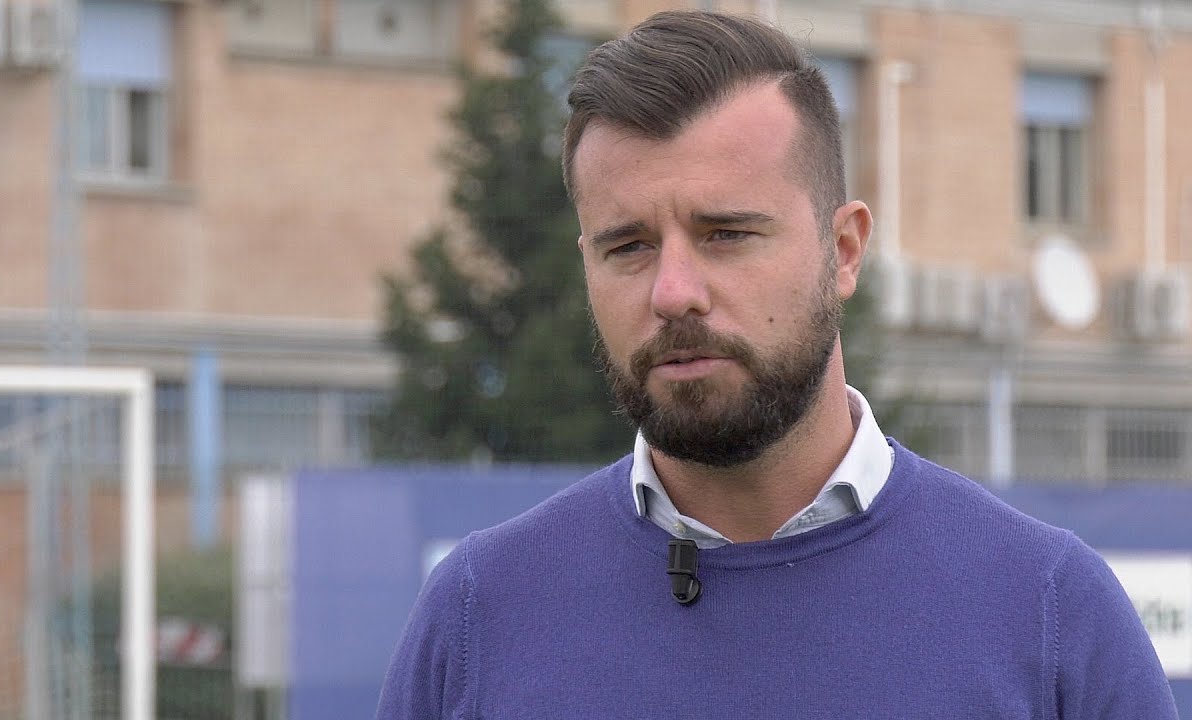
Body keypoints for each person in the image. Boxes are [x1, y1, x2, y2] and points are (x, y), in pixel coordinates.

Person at [375, 10, 1177, 719]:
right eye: (629, 247)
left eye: (726, 234)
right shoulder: (479, 617)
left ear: (845, 249)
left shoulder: (1049, 612)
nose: (674, 293)